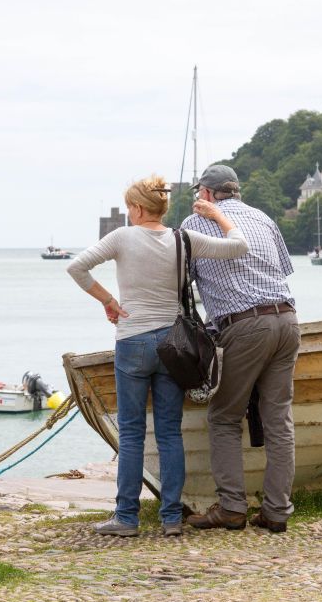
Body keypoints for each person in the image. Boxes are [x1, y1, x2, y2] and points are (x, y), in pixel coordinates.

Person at [67, 174, 249, 537]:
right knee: (170, 433)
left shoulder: (122, 237)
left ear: (136, 208)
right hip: (173, 345)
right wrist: (219, 216)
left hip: (132, 340)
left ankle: (126, 518)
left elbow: (77, 268)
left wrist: (109, 302)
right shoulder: (183, 238)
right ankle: (170, 520)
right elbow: (238, 246)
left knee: (132, 434)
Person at [181, 164, 300, 534]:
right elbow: (281, 268)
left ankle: (232, 507)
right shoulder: (263, 218)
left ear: (207, 193)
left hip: (245, 326)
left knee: (224, 417)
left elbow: (182, 282)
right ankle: (277, 510)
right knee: (278, 419)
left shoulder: (194, 223)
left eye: (198, 191)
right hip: (288, 320)